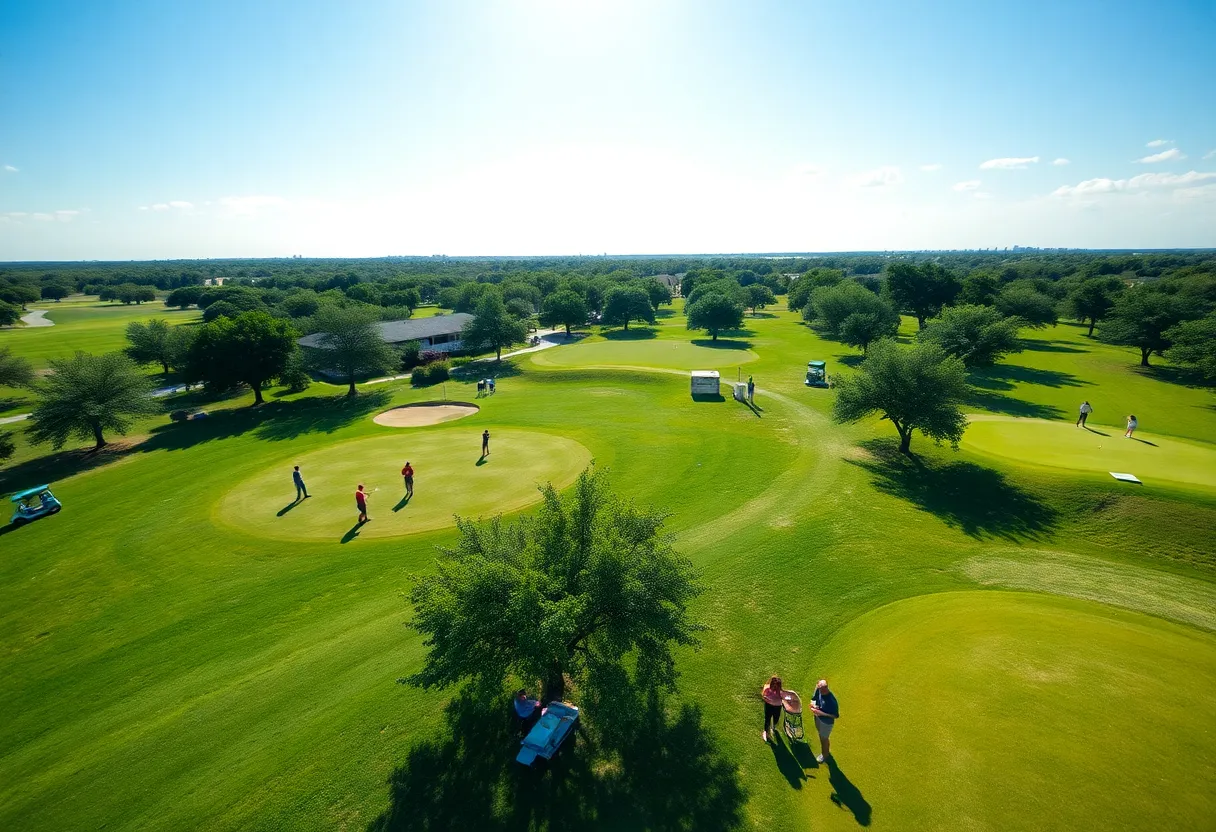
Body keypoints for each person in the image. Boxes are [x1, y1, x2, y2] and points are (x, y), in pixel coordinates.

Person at [810, 678, 839, 762]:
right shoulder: (818, 690)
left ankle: (825, 755)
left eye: (820, 689)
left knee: (823, 739)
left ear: (825, 688)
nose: (818, 690)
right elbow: (813, 699)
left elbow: (835, 716)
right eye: (818, 688)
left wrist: (821, 713)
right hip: (817, 717)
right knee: (822, 736)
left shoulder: (832, 701)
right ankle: (826, 750)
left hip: (826, 723)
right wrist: (813, 706)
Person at [762, 675, 785, 742]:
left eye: (777, 686)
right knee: (767, 718)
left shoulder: (780, 692)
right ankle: (766, 732)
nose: (775, 687)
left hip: (777, 707)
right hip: (769, 705)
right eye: (774, 685)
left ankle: (773, 727)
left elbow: (783, 698)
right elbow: (764, 695)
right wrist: (768, 699)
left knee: (776, 718)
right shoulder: (767, 688)